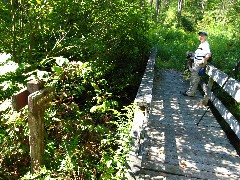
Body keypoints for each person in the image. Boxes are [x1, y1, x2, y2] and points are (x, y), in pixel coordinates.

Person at [182, 31, 211, 97]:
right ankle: (190, 91)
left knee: (194, 78)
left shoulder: (206, 44)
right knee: (193, 78)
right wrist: (192, 55)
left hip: (199, 64)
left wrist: (203, 61)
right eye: (200, 35)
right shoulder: (201, 44)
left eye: (202, 36)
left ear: (206, 37)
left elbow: (208, 54)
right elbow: (199, 54)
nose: (201, 37)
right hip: (196, 63)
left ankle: (191, 93)